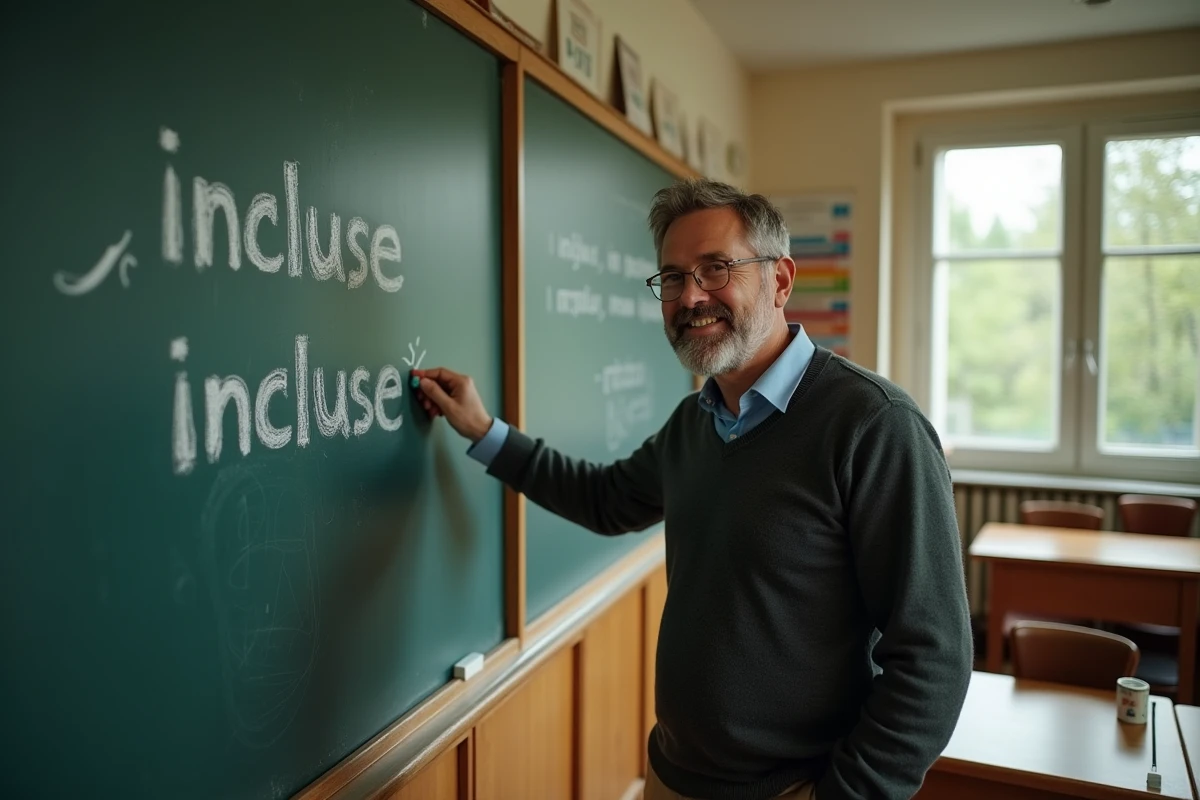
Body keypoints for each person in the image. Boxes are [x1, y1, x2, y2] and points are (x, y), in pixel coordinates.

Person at [412, 179, 973, 800]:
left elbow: (934, 657)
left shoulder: (873, 425)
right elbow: (605, 499)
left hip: (793, 788)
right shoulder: (696, 422)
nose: (691, 295)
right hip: (673, 775)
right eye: (673, 277)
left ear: (780, 280)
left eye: (716, 269)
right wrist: (485, 431)